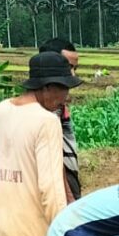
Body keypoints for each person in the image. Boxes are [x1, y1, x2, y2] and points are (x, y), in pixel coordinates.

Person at [0, 51, 81, 236]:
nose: (66, 97)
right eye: (64, 89)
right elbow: (51, 189)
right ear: (48, 87)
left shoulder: (0, 111)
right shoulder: (47, 122)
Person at [39, 38, 82, 202]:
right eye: (68, 66)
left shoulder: (59, 108)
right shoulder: (44, 114)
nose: (72, 74)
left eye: (75, 68)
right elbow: (53, 163)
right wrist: (70, 200)